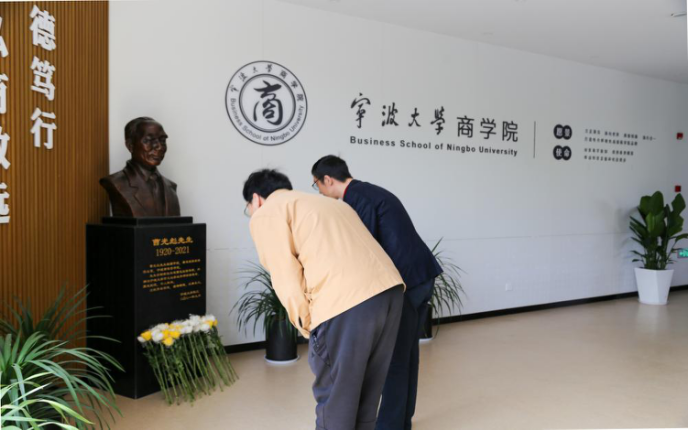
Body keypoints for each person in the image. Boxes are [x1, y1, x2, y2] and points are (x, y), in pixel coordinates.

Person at [243, 169, 405, 430]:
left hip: (345, 302)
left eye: (248, 208)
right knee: (367, 394)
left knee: (336, 399)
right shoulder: (329, 204)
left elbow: (285, 276)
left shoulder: (268, 212)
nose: (251, 213)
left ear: (256, 199)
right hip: (389, 291)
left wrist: (308, 325)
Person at [311, 155, 442, 430]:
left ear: (328, 180)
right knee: (407, 355)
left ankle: (391, 425)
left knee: (394, 360)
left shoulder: (355, 199)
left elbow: (365, 250)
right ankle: (402, 420)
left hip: (405, 283)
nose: (319, 191)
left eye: (317, 185)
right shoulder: (369, 191)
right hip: (422, 277)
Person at [100, 117, 180, 217]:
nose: (159, 147)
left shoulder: (171, 187)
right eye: (148, 140)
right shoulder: (116, 183)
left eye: (162, 140)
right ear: (130, 146)